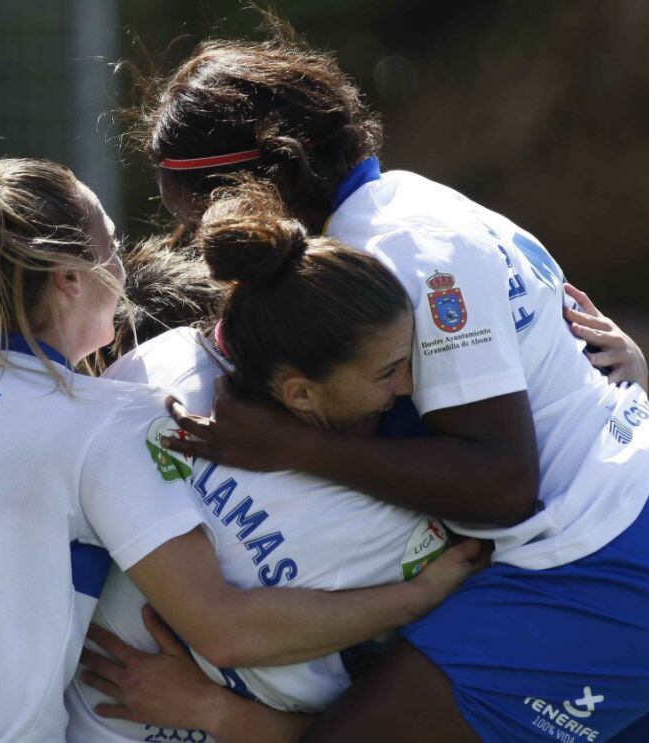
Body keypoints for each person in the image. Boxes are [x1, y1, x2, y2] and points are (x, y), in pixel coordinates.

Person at [88, 25, 649, 741]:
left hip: (611, 573)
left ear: (268, 178)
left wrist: (290, 445)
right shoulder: (413, 203)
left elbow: (505, 485)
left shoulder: (395, 250)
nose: (213, 246)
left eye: (202, 217)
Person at [0, 156, 475, 742]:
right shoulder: (97, 421)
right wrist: (417, 595)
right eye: (110, 249)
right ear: (69, 279)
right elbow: (224, 628)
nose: (124, 270)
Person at [68, 180, 490, 743]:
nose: (410, 385)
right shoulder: (164, 381)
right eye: (388, 371)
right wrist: (416, 598)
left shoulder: (165, 365)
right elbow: (224, 633)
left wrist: (214, 711)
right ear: (300, 395)